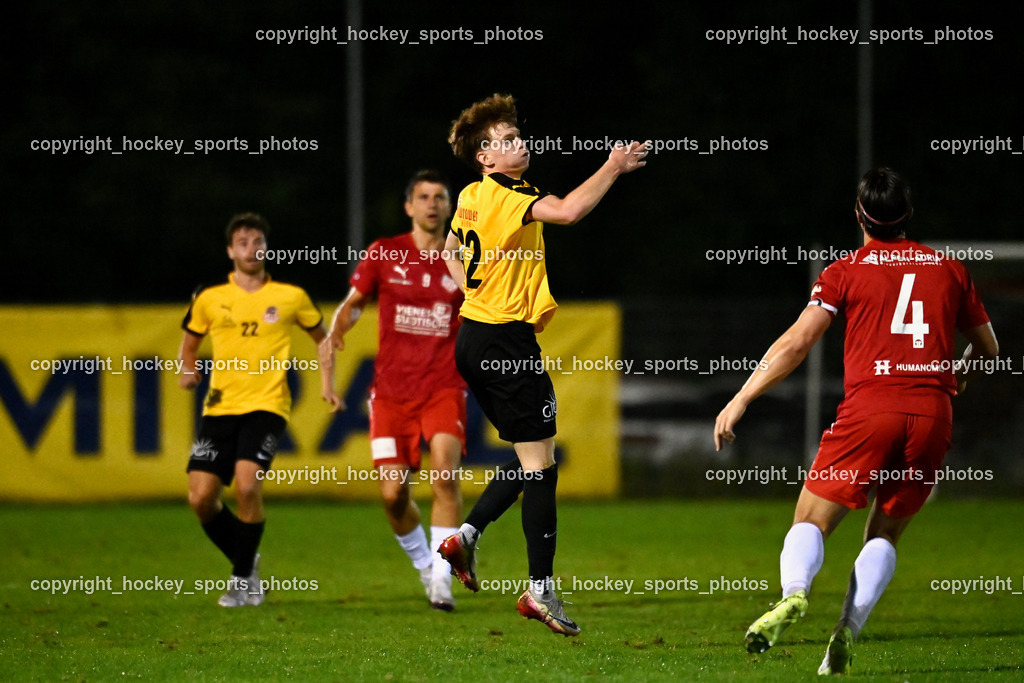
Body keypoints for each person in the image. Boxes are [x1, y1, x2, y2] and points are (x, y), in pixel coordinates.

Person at [713, 167, 998, 674]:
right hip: (932, 414)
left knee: (810, 521)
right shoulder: (951, 269)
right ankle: (845, 632)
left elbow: (797, 343)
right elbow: (989, 347)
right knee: (884, 534)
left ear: (860, 216)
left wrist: (742, 397)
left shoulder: (845, 270)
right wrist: (958, 377)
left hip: (871, 411)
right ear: (908, 215)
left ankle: (796, 594)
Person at [437, 93, 650, 636]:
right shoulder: (510, 192)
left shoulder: (469, 194)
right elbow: (570, 211)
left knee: (537, 458)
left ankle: (466, 535)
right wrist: (613, 166)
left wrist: (472, 297)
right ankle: (539, 589)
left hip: (474, 339)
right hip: (504, 343)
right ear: (485, 157)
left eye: (516, 134)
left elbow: (449, 252)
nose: (517, 143)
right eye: (503, 140)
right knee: (540, 468)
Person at [319, 170, 467, 611]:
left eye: (440, 197)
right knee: (392, 494)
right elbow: (354, 303)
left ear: (449, 205)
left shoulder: (461, 257)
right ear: (409, 206)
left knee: (445, 474)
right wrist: (338, 329)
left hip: (443, 385)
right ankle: (425, 563)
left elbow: (485, 310)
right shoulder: (385, 252)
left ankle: (442, 578)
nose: (432, 204)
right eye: (423, 197)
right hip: (390, 393)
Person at [179, 212, 327, 607]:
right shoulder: (210, 298)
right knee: (200, 498)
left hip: (267, 405)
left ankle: (242, 580)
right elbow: (190, 343)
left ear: (266, 247)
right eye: (243, 242)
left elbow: (322, 338)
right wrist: (187, 368)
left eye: (258, 241)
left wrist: (327, 381)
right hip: (219, 408)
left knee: (246, 485)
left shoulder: (290, 296)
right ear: (230, 250)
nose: (251, 248)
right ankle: (248, 560)